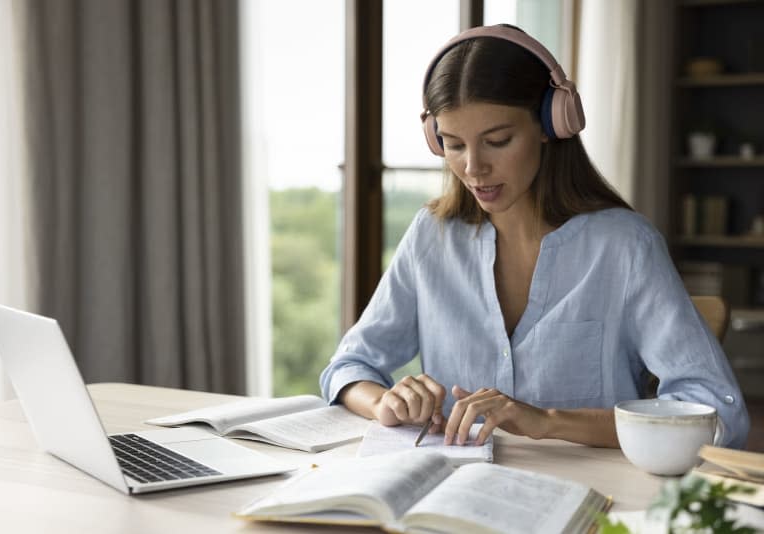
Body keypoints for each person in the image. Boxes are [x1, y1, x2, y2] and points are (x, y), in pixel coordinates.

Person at [319, 24, 749, 449]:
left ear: (551, 123)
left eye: (498, 140)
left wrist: (547, 421)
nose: (473, 168)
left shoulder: (625, 246)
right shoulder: (431, 236)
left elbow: (717, 412)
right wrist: (386, 403)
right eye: (453, 144)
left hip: (592, 497)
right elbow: (349, 367)